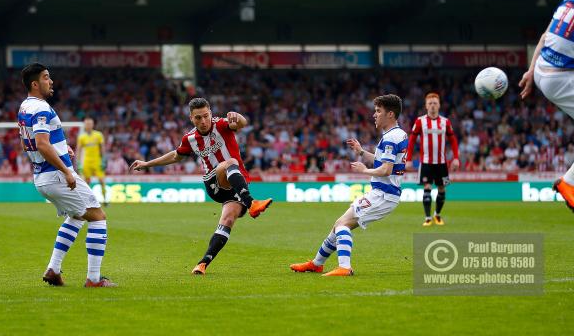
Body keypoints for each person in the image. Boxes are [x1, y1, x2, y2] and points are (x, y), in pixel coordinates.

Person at [130, 97, 273, 275]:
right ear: (191, 118)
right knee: (230, 162)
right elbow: (176, 156)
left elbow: (240, 123)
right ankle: (252, 204)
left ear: (211, 113)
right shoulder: (190, 138)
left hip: (236, 185)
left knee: (228, 220)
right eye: (198, 118)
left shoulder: (221, 124)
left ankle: (203, 263)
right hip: (214, 182)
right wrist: (146, 164)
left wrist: (239, 117)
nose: (203, 121)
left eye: (206, 116)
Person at [17, 63, 115, 288]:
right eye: (46, 77)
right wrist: (65, 169)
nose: (50, 81)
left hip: (42, 176)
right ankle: (93, 279)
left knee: (78, 216)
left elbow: (29, 142)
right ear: (35, 84)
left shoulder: (24, 107)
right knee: (98, 217)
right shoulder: (41, 108)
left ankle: (53, 269)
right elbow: (41, 144)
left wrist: (62, 150)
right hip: (57, 175)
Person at [289, 95, 406, 276]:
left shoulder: (391, 138)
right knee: (338, 224)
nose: (374, 115)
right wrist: (361, 152)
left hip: (383, 194)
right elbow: (382, 161)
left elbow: (386, 169)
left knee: (343, 224)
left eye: (378, 111)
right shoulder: (396, 135)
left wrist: (364, 171)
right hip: (383, 193)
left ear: (390, 114)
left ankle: (345, 267)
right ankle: (316, 264)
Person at [519, 0, 574, 212]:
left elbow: (545, 36)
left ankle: (570, 183)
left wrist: (531, 70)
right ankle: (569, 183)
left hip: (543, 68)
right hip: (559, 77)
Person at [405, 93, 459, 226]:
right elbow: (411, 141)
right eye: (430, 103)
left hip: (442, 164)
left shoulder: (445, 122)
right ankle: (428, 218)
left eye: (435, 103)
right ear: (426, 105)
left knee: (442, 189)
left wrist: (456, 158)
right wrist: (408, 159)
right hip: (426, 164)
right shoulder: (420, 121)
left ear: (439, 105)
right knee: (427, 188)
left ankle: (438, 215)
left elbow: (453, 140)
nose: (432, 106)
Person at [76, 117, 108, 205]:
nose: (88, 125)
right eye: (87, 124)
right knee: (87, 182)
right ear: (84, 126)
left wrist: (104, 159)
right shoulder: (82, 137)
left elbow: (103, 148)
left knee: (101, 180)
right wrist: (78, 163)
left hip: (97, 161)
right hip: (87, 161)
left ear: (93, 125)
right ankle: (87, 201)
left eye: (90, 124)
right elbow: (78, 150)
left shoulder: (98, 135)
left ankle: (105, 200)